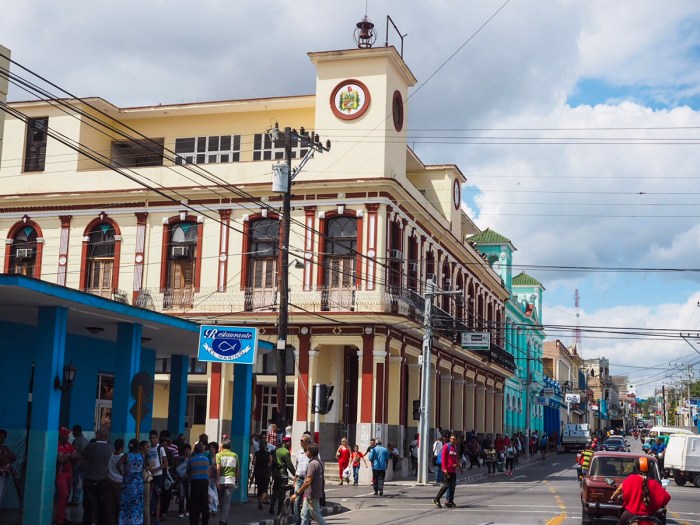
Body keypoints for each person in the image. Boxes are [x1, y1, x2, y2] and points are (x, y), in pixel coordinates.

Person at [610, 456, 671, 525]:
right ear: (649, 469)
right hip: (650, 515)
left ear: (637, 468)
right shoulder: (654, 483)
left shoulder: (630, 479)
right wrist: (655, 505)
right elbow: (666, 497)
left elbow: (619, 490)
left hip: (631, 513)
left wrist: (613, 498)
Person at [81, 427, 113, 525]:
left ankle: (88, 522)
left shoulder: (90, 446)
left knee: (89, 504)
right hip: (103, 480)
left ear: (99, 436)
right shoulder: (109, 448)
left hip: (90, 479)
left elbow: (82, 458)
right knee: (102, 504)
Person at [290, 442, 327, 525]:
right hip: (309, 494)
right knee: (304, 514)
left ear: (310, 452)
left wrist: (297, 493)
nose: (306, 452)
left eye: (307, 451)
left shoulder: (313, 464)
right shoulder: (318, 462)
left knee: (315, 514)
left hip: (312, 494)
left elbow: (308, 481)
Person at [118, 439, 144, 525]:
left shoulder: (127, 455)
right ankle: (136, 521)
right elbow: (143, 467)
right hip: (139, 484)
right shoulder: (141, 456)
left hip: (128, 483)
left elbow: (118, 464)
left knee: (126, 503)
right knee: (137, 503)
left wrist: (122, 473)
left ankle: (125, 521)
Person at [56, 427, 79, 525]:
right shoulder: (57, 445)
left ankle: (63, 517)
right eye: (66, 435)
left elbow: (77, 455)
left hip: (69, 473)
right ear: (61, 436)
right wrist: (70, 456)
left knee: (67, 496)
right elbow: (61, 459)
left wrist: (67, 456)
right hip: (61, 474)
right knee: (64, 495)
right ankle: (59, 520)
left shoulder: (68, 444)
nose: (68, 437)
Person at [433, 433, 461, 509]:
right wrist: (444, 469)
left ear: (456, 440)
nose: (452, 440)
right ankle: (437, 498)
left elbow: (455, 459)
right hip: (447, 470)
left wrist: (460, 468)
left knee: (452, 486)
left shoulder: (455, 448)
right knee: (446, 485)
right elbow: (443, 459)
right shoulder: (446, 446)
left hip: (453, 470)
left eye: (454, 439)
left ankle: (450, 501)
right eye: (451, 439)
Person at [269, 436, 295, 515]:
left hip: (275, 474)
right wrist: (295, 474)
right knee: (282, 493)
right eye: (290, 443)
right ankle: (280, 511)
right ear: (286, 443)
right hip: (282, 474)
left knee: (275, 491)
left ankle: (271, 508)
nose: (290, 444)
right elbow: (289, 465)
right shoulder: (286, 452)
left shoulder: (277, 450)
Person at [215, 437, 238, 525]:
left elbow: (218, 468)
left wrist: (217, 480)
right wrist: (236, 480)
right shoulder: (235, 455)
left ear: (222, 446)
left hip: (220, 481)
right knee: (226, 502)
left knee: (221, 501)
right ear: (230, 446)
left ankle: (223, 519)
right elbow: (237, 470)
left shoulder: (218, 455)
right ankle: (223, 519)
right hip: (231, 481)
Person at [147, 430, 168, 525]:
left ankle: (156, 519)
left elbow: (165, 463)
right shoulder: (148, 448)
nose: (152, 440)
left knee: (157, 496)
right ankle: (149, 517)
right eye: (151, 438)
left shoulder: (160, 448)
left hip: (158, 476)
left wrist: (156, 469)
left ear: (157, 438)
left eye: (154, 438)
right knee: (149, 496)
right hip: (149, 476)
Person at [187, 443, 210, 525]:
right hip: (205, 482)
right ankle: (205, 522)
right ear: (203, 450)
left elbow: (187, 471)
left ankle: (194, 521)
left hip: (195, 481)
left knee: (194, 502)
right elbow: (208, 471)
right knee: (205, 502)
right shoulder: (206, 459)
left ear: (194, 450)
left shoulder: (191, 460)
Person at [293, 434, 311, 524]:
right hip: (299, 479)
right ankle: (297, 521)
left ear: (307, 442)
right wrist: (295, 480)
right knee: (296, 500)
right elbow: (296, 467)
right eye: (300, 440)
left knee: (307, 503)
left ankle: (307, 521)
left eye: (302, 441)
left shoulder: (312, 453)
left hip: (308, 481)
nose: (300, 442)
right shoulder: (299, 453)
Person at [106, 438, 125, 525]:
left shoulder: (111, 456)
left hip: (110, 481)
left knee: (110, 505)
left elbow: (107, 467)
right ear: (122, 447)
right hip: (120, 482)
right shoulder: (123, 457)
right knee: (119, 505)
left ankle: (110, 522)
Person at [69, 424, 88, 506]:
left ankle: (75, 499)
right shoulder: (85, 440)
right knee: (79, 483)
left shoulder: (77, 441)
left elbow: (73, 453)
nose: (72, 433)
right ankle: (76, 499)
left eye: (73, 431)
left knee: (77, 482)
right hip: (84, 465)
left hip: (78, 465)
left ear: (77, 431)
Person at [0, 429, 16, 509]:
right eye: (0, 437)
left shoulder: (5, 449)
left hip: (4, 474)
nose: (2, 439)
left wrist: (6, 460)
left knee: (2, 493)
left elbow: (13, 457)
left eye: (3, 437)